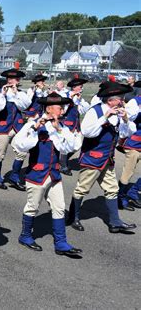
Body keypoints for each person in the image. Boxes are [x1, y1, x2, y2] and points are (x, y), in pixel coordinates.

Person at [12, 92, 83, 256]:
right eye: (60, 108)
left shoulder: (61, 126)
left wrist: (60, 130)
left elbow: (70, 148)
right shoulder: (34, 124)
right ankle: (25, 235)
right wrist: (34, 129)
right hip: (36, 174)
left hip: (54, 174)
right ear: (49, 109)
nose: (63, 111)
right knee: (32, 207)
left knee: (59, 208)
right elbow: (19, 145)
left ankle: (61, 243)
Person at [66, 82, 137, 233]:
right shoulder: (95, 111)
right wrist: (104, 117)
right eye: (121, 99)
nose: (123, 101)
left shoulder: (119, 113)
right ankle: (73, 217)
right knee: (82, 189)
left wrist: (125, 119)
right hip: (92, 158)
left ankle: (115, 222)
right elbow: (87, 132)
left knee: (112, 189)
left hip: (108, 158)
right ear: (111, 100)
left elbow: (127, 133)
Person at [0, 68, 31, 191]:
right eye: (12, 79)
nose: (15, 81)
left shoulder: (21, 93)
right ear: (8, 80)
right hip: (2, 127)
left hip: (17, 127)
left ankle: (14, 176)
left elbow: (25, 106)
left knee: (22, 152)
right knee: (0, 154)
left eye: (17, 79)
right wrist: (3, 95)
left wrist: (16, 93)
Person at [59, 77, 90, 176]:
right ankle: (63, 166)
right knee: (65, 145)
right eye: (80, 86)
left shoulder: (80, 97)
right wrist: (70, 98)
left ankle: (62, 160)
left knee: (77, 145)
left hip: (76, 124)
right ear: (74, 87)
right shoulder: (65, 95)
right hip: (67, 124)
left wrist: (80, 100)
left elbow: (84, 110)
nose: (82, 88)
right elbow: (62, 109)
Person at [118, 81, 141, 210]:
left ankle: (133, 191)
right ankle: (121, 199)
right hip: (134, 143)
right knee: (128, 173)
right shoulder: (134, 102)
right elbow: (128, 118)